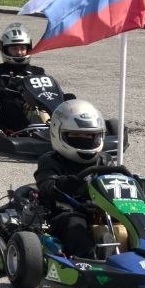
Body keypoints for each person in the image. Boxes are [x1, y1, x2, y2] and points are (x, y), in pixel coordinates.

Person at [30, 99, 113, 258]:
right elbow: (47, 187)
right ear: (58, 133)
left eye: (89, 135)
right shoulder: (50, 160)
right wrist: (73, 182)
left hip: (105, 210)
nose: (83, 139)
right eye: (76, 135)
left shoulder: (105, 161)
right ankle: (91, 257)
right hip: (66, 212)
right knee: (74, 225)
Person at [0, 23, 49, 132]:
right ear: (5, 50)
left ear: (28, 49)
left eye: (22, 48)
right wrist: (13, 85)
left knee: (69, 99)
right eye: (14, 48)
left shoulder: (37, 71)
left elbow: (48, 88)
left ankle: (67, 131)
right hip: (12, 107)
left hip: (38, 104)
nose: (19, 52)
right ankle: (27, 132)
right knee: (11, 104)